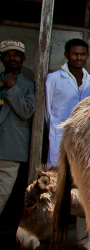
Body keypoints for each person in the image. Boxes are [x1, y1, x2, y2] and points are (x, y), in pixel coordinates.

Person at [46, 38, 90, 167]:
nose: (79, 57)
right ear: (66, 55)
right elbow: (47, 112)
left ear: (87, 55)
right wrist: (54, 130)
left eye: (82, 54)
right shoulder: (54, 79)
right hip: (58, 137)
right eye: (75, 54)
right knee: (56, 177)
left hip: (83, 139)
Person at [0, 40, 34, 215]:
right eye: (7, 55)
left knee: (1, 195)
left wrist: (12, 87)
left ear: (23, 58)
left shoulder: (29, 85)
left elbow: (27, 111)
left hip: (10, 152)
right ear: (1, 58)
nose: (12, 58)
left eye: (16, 55)